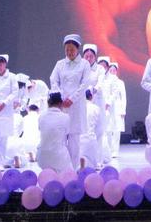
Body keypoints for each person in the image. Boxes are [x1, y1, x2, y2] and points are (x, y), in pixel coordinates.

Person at [50, 34, 92, 169]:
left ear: (77, 49)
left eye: (72, 49)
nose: (69, 52)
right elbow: (53, 80)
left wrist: (72, 99)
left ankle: (73, 169)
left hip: (76, 106)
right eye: (67, 49)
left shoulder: (84, 64)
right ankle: (61, 168)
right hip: (62, 105)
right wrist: (60, 96)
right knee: (61, 138)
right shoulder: (60, 64)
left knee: (74, 141)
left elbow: (85, 84)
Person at [37, 93, 71, 172]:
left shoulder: (41, 116)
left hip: (42, 159)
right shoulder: (65, 117)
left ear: (48, 104)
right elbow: (67, 134)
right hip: (59, 158)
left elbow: (41, 130)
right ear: (60, 104)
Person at [101, 61, 126, 161]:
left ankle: (115, 151)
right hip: (108, 107)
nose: (112, 72)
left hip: (117, 107)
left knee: (117, 130)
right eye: (110, 70)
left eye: (114, 70)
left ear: (116, 71)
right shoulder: (105, 81)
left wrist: (123, 110)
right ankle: (109, 150)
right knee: (108, 129)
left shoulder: (120, 82)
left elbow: (123, 97)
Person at [79, 89, 105, 169]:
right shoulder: (96, 108)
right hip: (91, 140)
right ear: (91, 97)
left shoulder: (78, 108)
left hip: (78, 141)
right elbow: (100, 129)